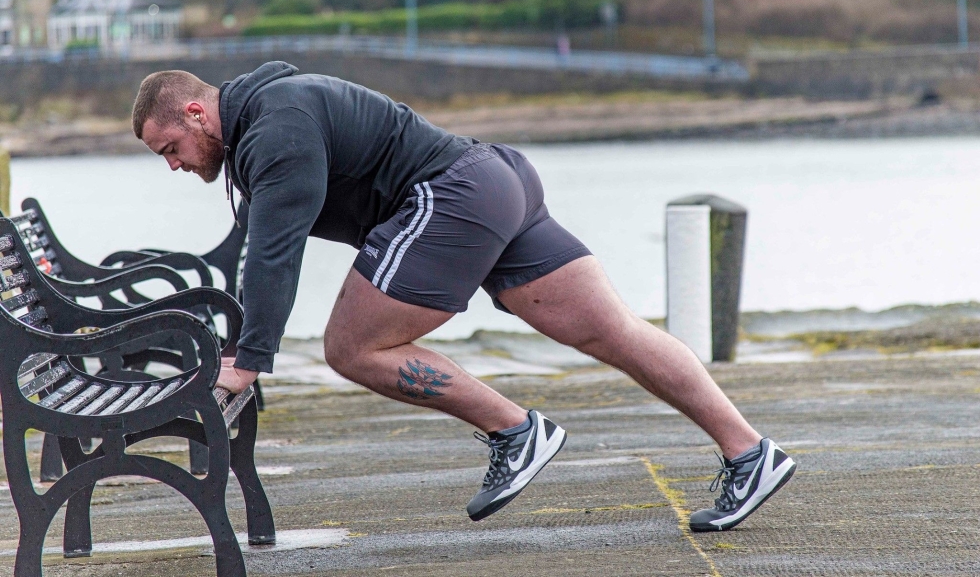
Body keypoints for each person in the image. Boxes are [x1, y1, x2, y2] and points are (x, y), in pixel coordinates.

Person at [131, 61, 795, 530]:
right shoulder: (271, 118)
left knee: (351, 347)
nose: (174, 165)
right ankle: (751, 452)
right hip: (496, 180)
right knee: (615, 331)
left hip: (451, 198)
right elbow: (256, 244)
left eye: (171, 147)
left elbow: (276, 253)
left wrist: (247, 362)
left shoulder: (275, 131)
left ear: (196, 113)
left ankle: (516, 431)